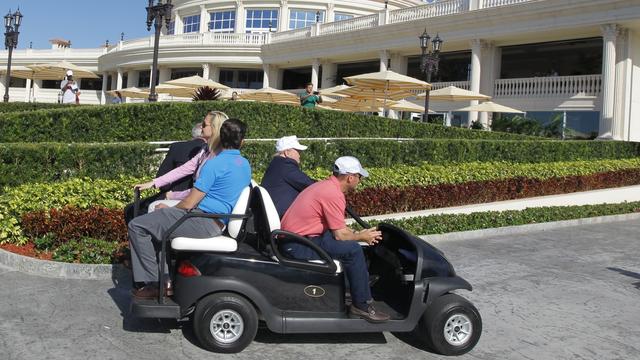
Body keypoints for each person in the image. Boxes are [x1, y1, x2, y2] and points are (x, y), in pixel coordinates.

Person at [128, 118, 251, 299]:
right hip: (215, 219)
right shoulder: (245, 165)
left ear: (220, 137)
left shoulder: (214, 164)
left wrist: (169, 210)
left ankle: (154, 284)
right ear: (242, 142)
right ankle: (165, 282)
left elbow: (189, 202)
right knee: (158, 227)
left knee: (137, 226)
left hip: (203, 220)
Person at [280, 156, 390, 323]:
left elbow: (338, 228)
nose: (360, 180)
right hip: (296, 245)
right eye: (359, 177)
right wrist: (362, 236)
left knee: (351, 247)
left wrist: (359, 233)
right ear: (350, 177)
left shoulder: (325, 186)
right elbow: (340, 235)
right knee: (353, 250)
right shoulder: (333, 194)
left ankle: (352, 286)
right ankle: (361, 305)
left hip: (300, 239)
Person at [124, 111, 228, 223]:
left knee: (141, 223)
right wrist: (154, 182)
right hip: (196, 203)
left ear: (214, 127)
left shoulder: (218, 157)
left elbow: (202, 192)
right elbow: (184, 169)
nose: (201, 127)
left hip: (206, 211)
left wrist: (173, 195)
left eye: (204, 124)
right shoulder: (205, 150)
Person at [261, 135, 314, 218]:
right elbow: (310, 185)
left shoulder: (276, 165)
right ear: (287, 152)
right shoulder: (286, 166)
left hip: (272, 215)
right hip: (283, 218)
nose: (300, 155)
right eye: (297, 151)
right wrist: (328, 185)